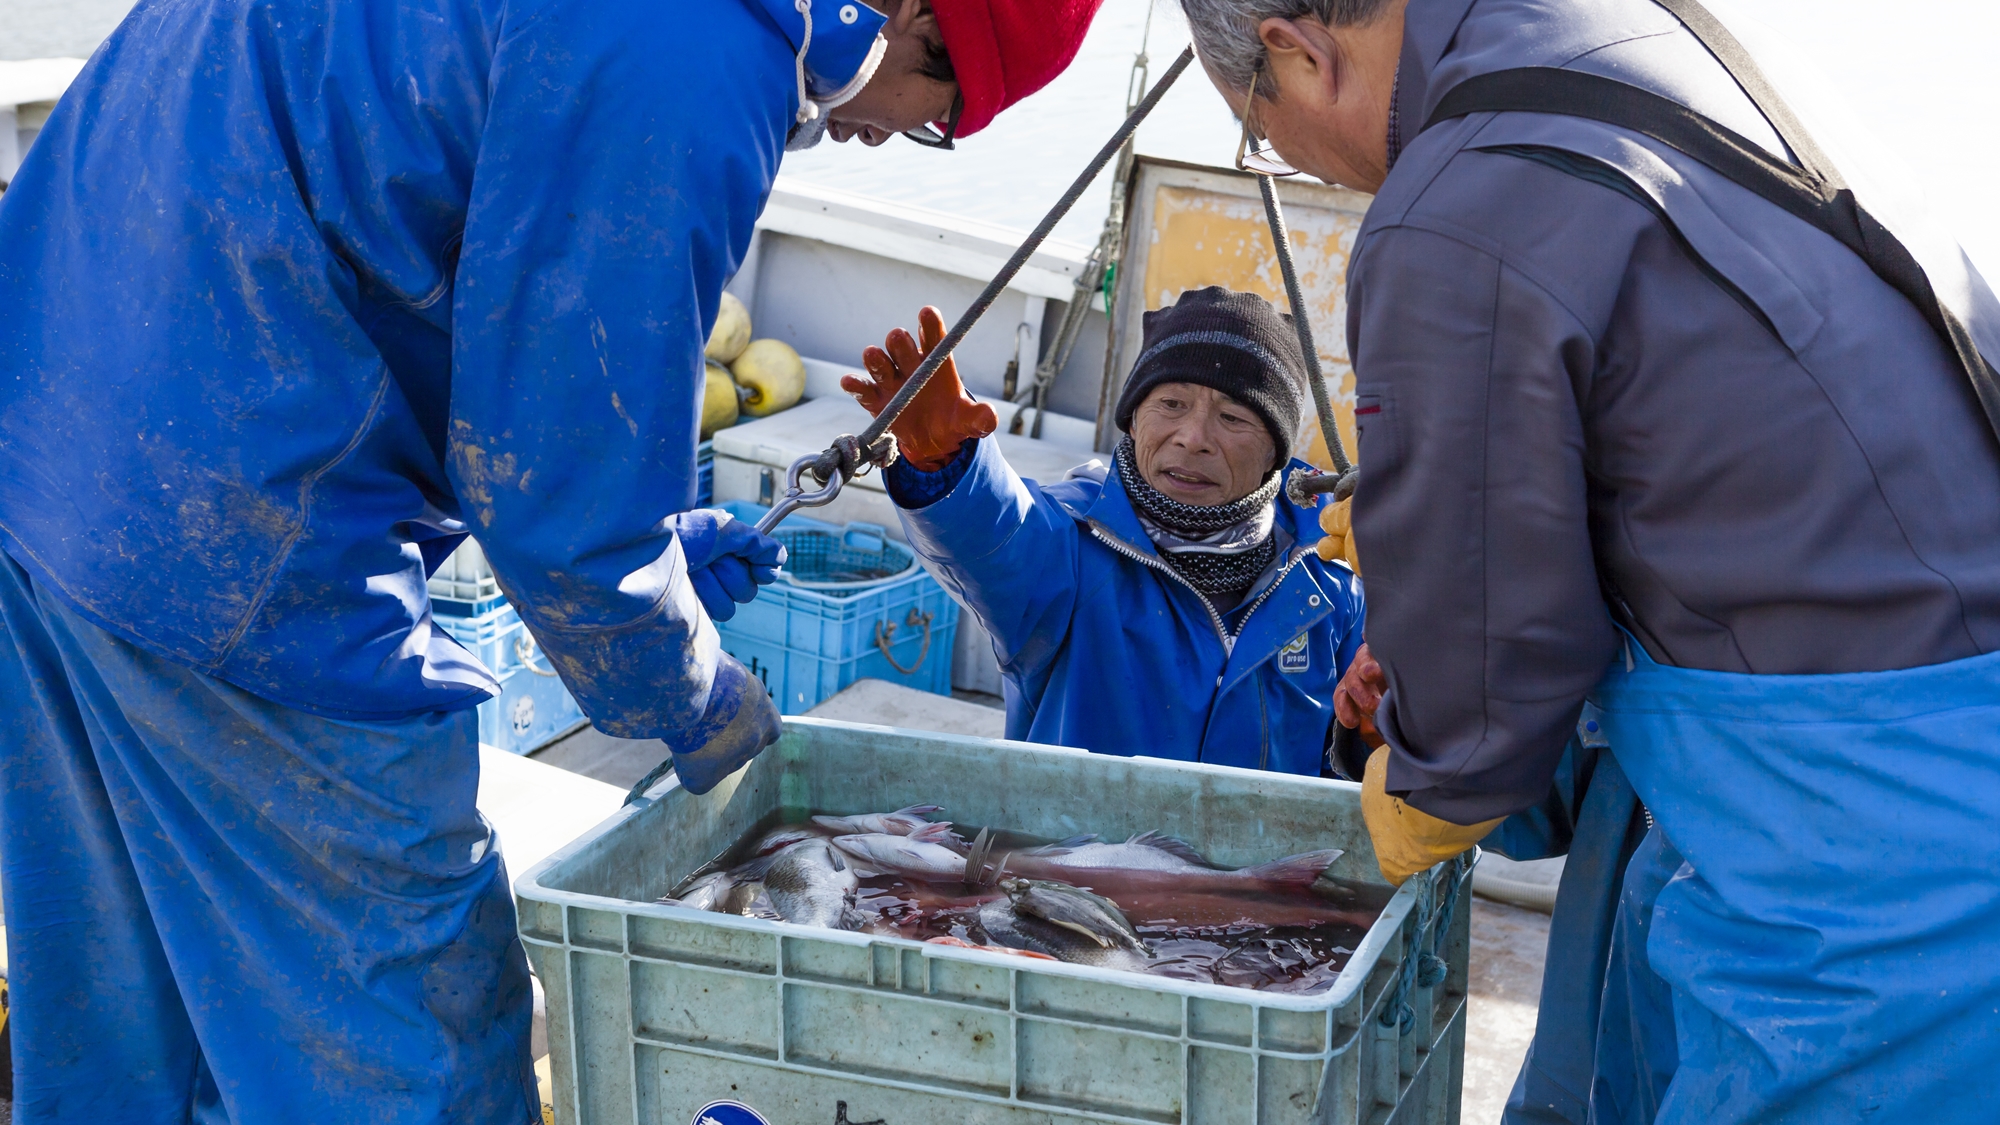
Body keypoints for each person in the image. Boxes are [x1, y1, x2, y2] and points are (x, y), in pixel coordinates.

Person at [0, 0, 1103, 1117]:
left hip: (40, 429)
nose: (882, 132)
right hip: (230, 529)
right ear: (917, 15)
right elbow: (567, 505)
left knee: (116, 1007)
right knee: (408, 1029)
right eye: (938, 112)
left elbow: (396, 211)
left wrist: (646, 554)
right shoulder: (695, 48)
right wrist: (688, 684)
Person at [1175, 0, 2000, 1121]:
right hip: (1840, 749)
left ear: (1294, 52)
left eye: (1262, 135)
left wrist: (1401, 799)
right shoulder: (1663, 37)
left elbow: (1479, 718)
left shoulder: (1451, 204)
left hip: (1861, 839)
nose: (1310, 175)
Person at [841, 288, 1366, 774]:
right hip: (1074, 869)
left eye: (1233, 418)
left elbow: (1351, 755)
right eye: (1171, 404)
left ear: (1276, 450)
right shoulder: (1073, 541)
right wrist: (945, 463)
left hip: (1267, 872)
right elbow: (997, 538)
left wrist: (1374, 728)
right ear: (1134, 419)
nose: (1193, 437)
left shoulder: (1333, 574)